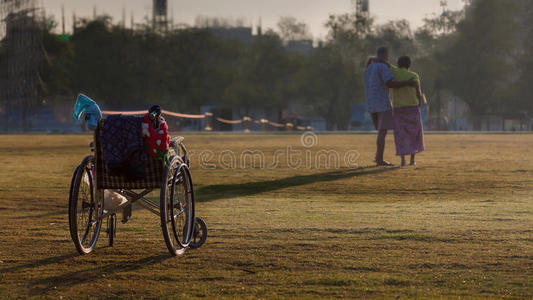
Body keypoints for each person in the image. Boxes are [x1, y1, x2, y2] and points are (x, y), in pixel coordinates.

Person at [364, 47, 417, 166]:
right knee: (382, 132)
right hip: (382, 103)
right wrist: (408, 83)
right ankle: (379, 160)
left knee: (380, 132)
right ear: (385, 56)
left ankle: (378, 157)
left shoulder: (369, 68)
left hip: (371, 103)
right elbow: (390, 83)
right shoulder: (382, 67)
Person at [389, 56, 425, 166]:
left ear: (398, 64)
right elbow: (418, 93)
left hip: (398, 108)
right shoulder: (414, 76)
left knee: (401, 134)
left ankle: (403, 160)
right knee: (414, 133)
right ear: (409, 65)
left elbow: (384, 63)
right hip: (412, 108)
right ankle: (412, 160)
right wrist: (419, 103)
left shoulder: (394, 72)